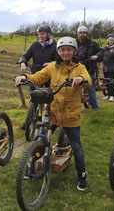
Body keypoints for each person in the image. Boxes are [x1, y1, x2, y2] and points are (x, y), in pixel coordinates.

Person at [14, 36, 92, 191]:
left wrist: (80, 79)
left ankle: (82, 175)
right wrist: (25, 77)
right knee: (40, 139)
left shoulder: (79, 67)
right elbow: (38, 77)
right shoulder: (52, 67)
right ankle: (31, 167)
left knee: (76, 146)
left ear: (74, 51)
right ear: (58, 51)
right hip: (52, 111)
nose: (65, 53)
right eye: (62, 50)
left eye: (69, 50)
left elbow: (88, 80)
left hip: (70, 114)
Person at [16, 24, 58, 130]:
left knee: (49, 100)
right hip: (35, 76)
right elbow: (25, 56)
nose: (40, 36)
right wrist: (22, 62)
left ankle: (51, 123)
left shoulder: (54, 46)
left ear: (48, 34)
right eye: (39, 34)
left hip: (49, 77)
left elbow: (59, 59)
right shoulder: (35, 45)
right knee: (33, 99)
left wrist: (52, 63)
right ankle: (28, 123)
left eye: (43, 34)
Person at [76, 25, 103, 111]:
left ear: (87, 34)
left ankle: (95, 107)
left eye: (84, 33)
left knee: (91, 88)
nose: (82, 35)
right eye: (80, 33)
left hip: (89, 69)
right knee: (73, 88)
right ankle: (74, 107)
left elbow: (101, 51)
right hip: (76, 69)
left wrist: (96, 56)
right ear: (77, 34)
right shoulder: (74, 43)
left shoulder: (92, 44)